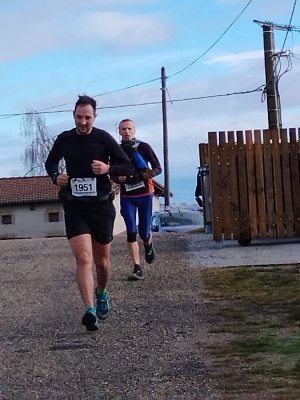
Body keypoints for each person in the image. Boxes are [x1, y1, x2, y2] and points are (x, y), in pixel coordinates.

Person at [45, 95, 134, 331]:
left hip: (101, 205)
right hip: (75, 206)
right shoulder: (64, 139)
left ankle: (102, 292)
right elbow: (50, 163)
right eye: (78, 117)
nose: (82, 122)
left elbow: (127, 166)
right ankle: (90, 310)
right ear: (73, 115)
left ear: (95, 116)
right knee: (84, 258)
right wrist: (56, 177)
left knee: (102, 262)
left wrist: (108, 168)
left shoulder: (103, 138)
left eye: (87, 117)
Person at [113, 119, 162, 281]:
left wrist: (143, 175)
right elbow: (110, 171)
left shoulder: (144, 147)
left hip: (145, 194)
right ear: (119, 131)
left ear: (134, 130)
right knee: (131, 231)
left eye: (129, 129)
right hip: (127, 195)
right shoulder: (116, 150)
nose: (126, 132)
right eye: (123, 129)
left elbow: (157, 168)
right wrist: (116, 178)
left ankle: (148, 245)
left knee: (143, 232)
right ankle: (137, 268)